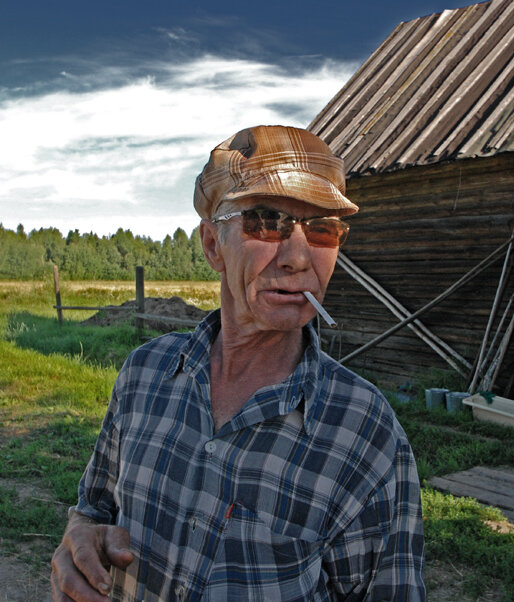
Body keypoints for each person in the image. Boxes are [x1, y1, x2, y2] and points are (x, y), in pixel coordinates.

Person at [51, 125, 425, 601]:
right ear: (212, 246)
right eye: (266, 221)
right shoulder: (145, 374)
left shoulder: (365, 432)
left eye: (323, 229)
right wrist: (81, 533)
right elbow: (95, 506)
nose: (297, 257)